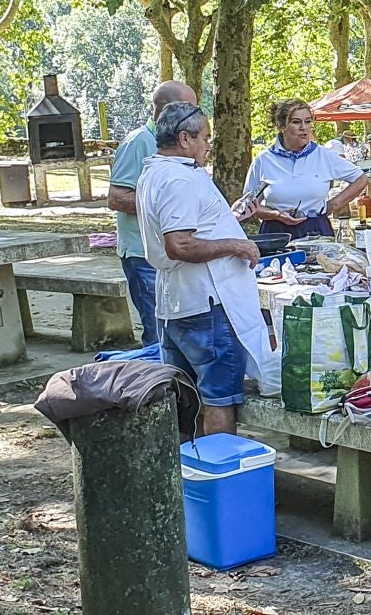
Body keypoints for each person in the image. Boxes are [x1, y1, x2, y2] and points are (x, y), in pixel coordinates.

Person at [138, 102, 266, 434]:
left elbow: (194, 227)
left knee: (187, 398)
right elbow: (179, 244)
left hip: (176, 303)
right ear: (184, 138)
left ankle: (190, 474)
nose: (209, 145)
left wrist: (232, 219)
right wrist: (237, 245)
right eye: (205, 138)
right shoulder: (178, 178)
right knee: (219, 398)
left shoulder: (155, 172)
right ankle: (219, 477)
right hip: (205, 305)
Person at [106, 80, 196, 347]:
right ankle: (154, 385)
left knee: (175, 333)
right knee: (158, 335)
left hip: (168, 254)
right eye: (189, 108)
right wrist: (167, 206)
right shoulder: (138, 142)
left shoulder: (179, 144)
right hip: (142, 256)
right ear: (168, 110)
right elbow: (116, 198)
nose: (196, 115)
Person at [242, 98, 369, 239]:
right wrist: (276, 215)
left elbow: (361, 179)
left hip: (316, 229)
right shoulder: (264, 160)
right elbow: (249, 205)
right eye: (296, 122)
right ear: (281, 126)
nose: (304, 127)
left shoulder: (324, 155)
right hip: (276, 232)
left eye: (308, 121)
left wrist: (332, 205)